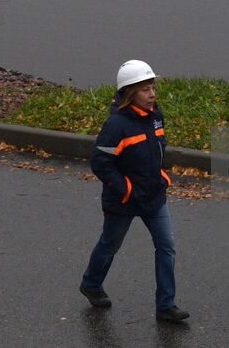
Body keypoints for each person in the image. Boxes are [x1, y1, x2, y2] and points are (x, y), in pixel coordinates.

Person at [80, 60, 188, 323]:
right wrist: (127, 189)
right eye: (145, 90)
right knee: (110, 245)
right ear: (130, 93)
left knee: (167, 247)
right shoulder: (116, 125)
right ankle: (91, 284)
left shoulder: (154, 116)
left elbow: (157, 148)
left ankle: (166, 306)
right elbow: (101, 163)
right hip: (123, 201)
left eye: (152, 87)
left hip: (154, 196)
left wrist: (160, 175)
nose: (152, 94)